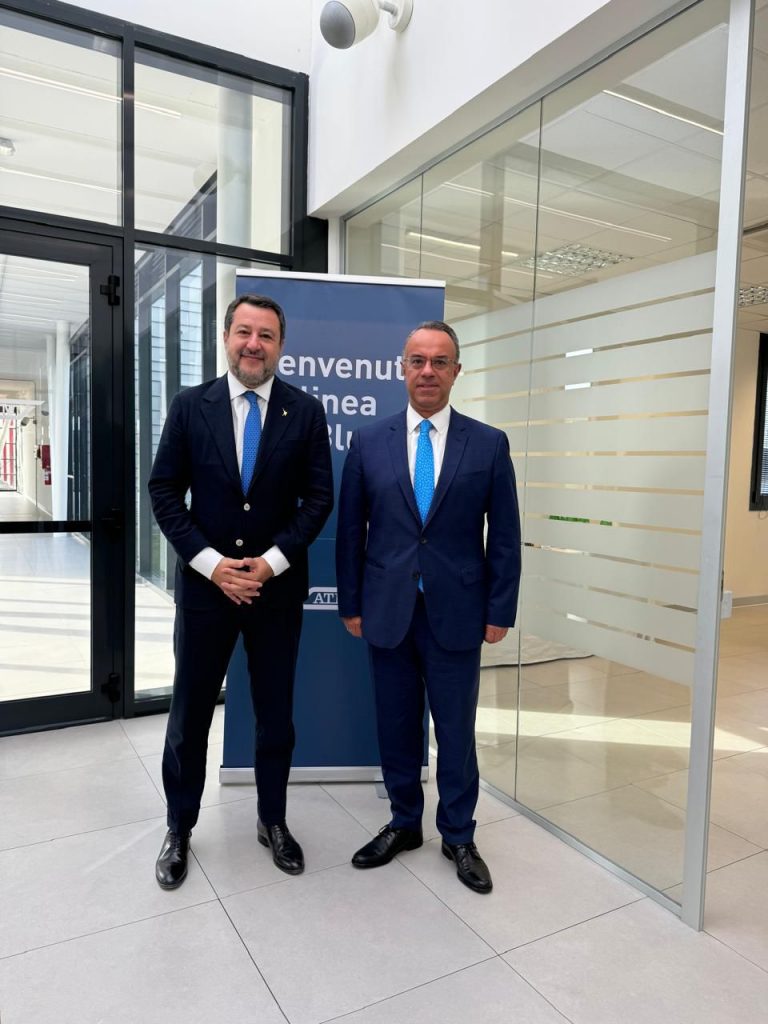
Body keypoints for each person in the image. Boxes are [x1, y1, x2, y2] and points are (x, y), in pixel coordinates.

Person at [149, 293, 333, 889]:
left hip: (274, 592)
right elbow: (163, 491)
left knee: (275, 714)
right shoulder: (189, 406)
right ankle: (179, 827)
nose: (254, 344)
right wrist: (211, 564)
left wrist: (272, 562)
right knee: (190, 714)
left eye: (267, 335)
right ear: (226, 337)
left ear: (281, 346)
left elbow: (319, 499)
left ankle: (272, 820)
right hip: (207, 591)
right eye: (244, 332)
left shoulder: (305, 412)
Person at [335, 320, 521, 894]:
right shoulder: (369, 442)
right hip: (387, 609)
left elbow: (505, 535)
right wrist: (351, 603)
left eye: (440, 362)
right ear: (402, 369)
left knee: (456, 732)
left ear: (456, 371)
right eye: (418, 360)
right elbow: (350, 532)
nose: (428, 371)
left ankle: (458, 834)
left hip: (458, 612)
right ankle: (404, 822)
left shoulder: (488, 443)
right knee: (395, 725)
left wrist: (500, 609)